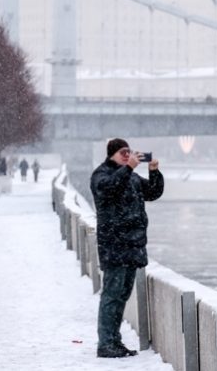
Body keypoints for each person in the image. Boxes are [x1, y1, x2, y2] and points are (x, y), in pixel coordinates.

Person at [89, 138, 164, 358]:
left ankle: (115, 340)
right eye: (123, 152)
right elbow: (110, 189)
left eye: (129, 152)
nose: (127, 156)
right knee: (111, 296)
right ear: (111, 154)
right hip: (114, 246)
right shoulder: (101, 175)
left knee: (122, 296)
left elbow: (152, 192)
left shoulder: (130, 176)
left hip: (132, 246)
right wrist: (129, 166)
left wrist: (154, 172)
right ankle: (105, 343)